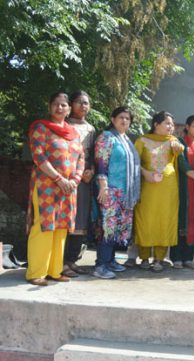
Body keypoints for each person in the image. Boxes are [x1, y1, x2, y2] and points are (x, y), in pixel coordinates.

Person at [25, 92, 85, 286]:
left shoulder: (74, 134)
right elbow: (38, 156)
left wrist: (75, 180)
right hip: (46, 185)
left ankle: (54, 271)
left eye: (63, 105)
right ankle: (36, 273)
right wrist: (59, 178)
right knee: (44, 227)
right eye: (56, 104)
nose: (60, 108)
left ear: (69, 110)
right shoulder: (40, 128)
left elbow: (81, 159)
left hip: (68, 188)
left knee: (61, 228)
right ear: (50, 107)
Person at [93, 107, 141, 279]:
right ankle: (101, 265)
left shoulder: (126, 140)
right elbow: (101, 164)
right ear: (112, 119)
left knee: (119, 229)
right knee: (108, 228)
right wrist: (103, 186)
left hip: (126, 194)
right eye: (121, 117)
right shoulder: (107, 137)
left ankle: (111, 260)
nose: (125, 121)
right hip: (110, 191)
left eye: (128, 118)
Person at [134, 111, 184, 272]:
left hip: (168, 189)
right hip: (148, 187)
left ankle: (160, 258)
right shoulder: (142, 141)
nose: (171, 127)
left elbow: (181, 151)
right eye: (167, 123)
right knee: (146, 219)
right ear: (156, 124)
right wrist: (145, 173)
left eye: (172, 124)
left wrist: (179, 148)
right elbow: (134, 162)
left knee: (165, 219)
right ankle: (144, 257)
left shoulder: (173, 141)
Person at [61, 91, 95, 277]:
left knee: (80, 220)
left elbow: (94, 155)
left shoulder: (90, 129)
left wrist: (92, 171)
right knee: (66, 218)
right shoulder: (63, 125)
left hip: (85, 180)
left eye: (86, 103)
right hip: (67, 176)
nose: (83, 106)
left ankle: (71, 260)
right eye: (79, 102)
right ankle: (59, 261)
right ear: (71, 105)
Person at [170, 115, 194, 269]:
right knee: (181, 220)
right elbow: (182, 163)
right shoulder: (180, 143)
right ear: (187, 127)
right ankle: (177, 257)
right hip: (184, 187)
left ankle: (188, 258)